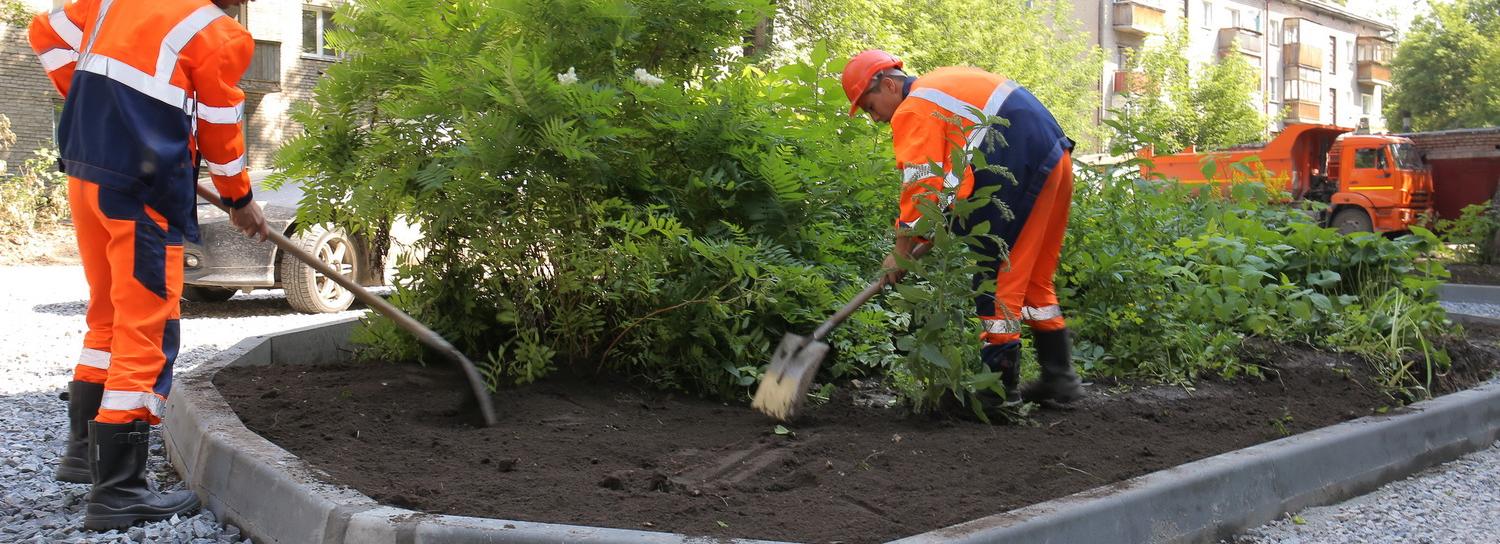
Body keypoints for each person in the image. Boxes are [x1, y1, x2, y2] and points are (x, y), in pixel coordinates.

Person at [29, 0, 268, 530]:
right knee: (147, 328)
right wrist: (239, 199)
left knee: (109, 315)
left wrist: (103, 113)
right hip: (140, 188)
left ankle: (83, 452)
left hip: (88, 168)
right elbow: (220, 126)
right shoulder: (218, 33)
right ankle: (119, 490)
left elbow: (44, 31)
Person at [841, 49, 1082, 406]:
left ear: (889, 85)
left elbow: (920, 184)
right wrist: (937, 223)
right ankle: (1059, 381)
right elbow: (952, 180)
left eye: (870, 106)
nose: (873, 118)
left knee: (995, 278)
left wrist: (902, 252)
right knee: (1032, 283)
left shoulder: (914, 108)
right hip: (1051, 157)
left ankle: (996, 393)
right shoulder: (939, 89)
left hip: (1017, 164)